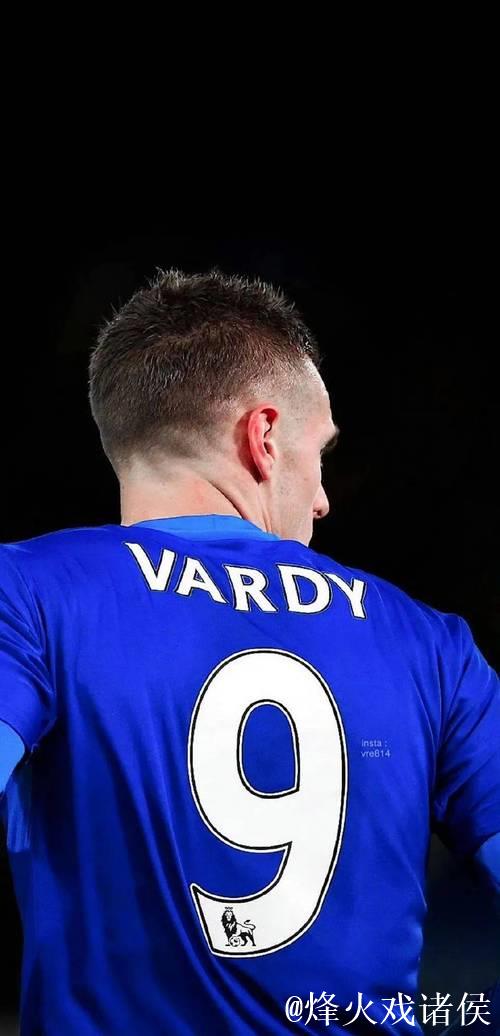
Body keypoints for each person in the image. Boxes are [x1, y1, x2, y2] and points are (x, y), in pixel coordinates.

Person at [0, 269, 498, 1036]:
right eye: (320, 453)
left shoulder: (31, 591)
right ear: (263, 437)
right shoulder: (431, 643)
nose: (323, 498)